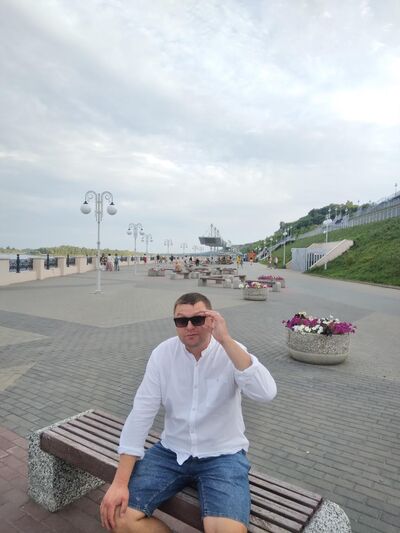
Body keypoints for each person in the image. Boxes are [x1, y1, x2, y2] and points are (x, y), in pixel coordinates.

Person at [100, 292, 277, 533]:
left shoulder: (232, 351)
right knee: (117, 518)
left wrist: (225, 340)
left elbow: (266, 393)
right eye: (182, 321)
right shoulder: (163, 354)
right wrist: (119, 483)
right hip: (171, 452)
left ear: (212, 320)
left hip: (222, 456)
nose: (190, 327)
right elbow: (141, 414)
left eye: (198, 319)